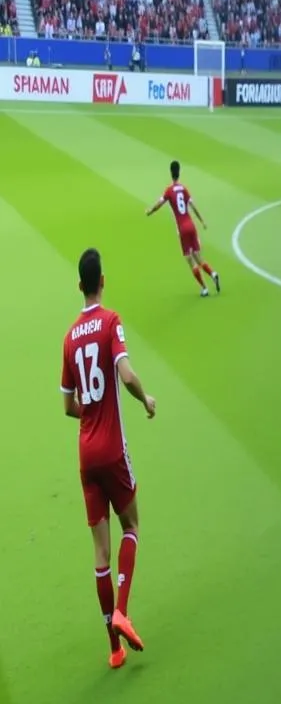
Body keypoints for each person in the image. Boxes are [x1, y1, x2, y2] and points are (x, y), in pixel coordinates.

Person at [61, 249, 156, 669]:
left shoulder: (68, 337)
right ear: (103, 280)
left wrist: (91, 412)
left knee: (99, 552)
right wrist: (146, 398)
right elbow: (127, 375)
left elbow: (67, 405)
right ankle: (122, 609)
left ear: (81, 284)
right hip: (112, 449)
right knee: (132, 524)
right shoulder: (111, 321)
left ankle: (113, 649)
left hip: (84, 453)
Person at [146, 160, 221, 297]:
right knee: (199, 257)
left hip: (182, 228)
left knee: (189, 259)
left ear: (171, 173)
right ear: (179, 173)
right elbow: (193, 206)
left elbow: (159, 204)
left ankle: (204, 288)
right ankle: (213, 274)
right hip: (191, 225)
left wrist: (150, 211)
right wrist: (202, 221)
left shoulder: (169, 190)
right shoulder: (184, 189)